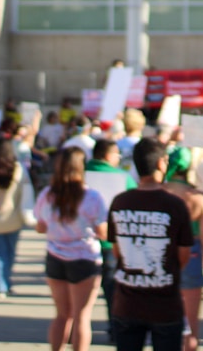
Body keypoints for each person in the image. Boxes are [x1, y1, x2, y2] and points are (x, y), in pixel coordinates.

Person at [107, 137, 194, 351]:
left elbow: (118, 251)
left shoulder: (120, 202)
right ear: (162, 163)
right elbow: (183, 256)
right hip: (165, 305)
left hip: (126, 304)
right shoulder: (175, 205)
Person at [34, 147, 107, 351]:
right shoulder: (92, 197)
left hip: (55, 256)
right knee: (81, 316)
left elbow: (40, 227)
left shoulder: (48, 195)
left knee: (61, 314)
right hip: (84, 257)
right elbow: (103, 231)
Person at [164, 146, 203, 351]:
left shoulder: (161, 192)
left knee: (165, 318)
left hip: (163, 252)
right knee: (191, 322)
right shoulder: (198, 197)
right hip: (193, 253)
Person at [85, 139, 137, 343]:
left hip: (78, 242)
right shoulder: (121, 177)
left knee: (77, 295)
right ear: (108, 156)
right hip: (111, 242)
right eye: (116, 155)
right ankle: (115, 328)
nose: (118, 159)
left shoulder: (79, 172)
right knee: (112, 291)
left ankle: (73, 329)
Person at [0, 138, 26, 298]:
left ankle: (0, 285)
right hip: (12, 215)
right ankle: (5, 282)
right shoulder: (16, 169)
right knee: (10, 252)